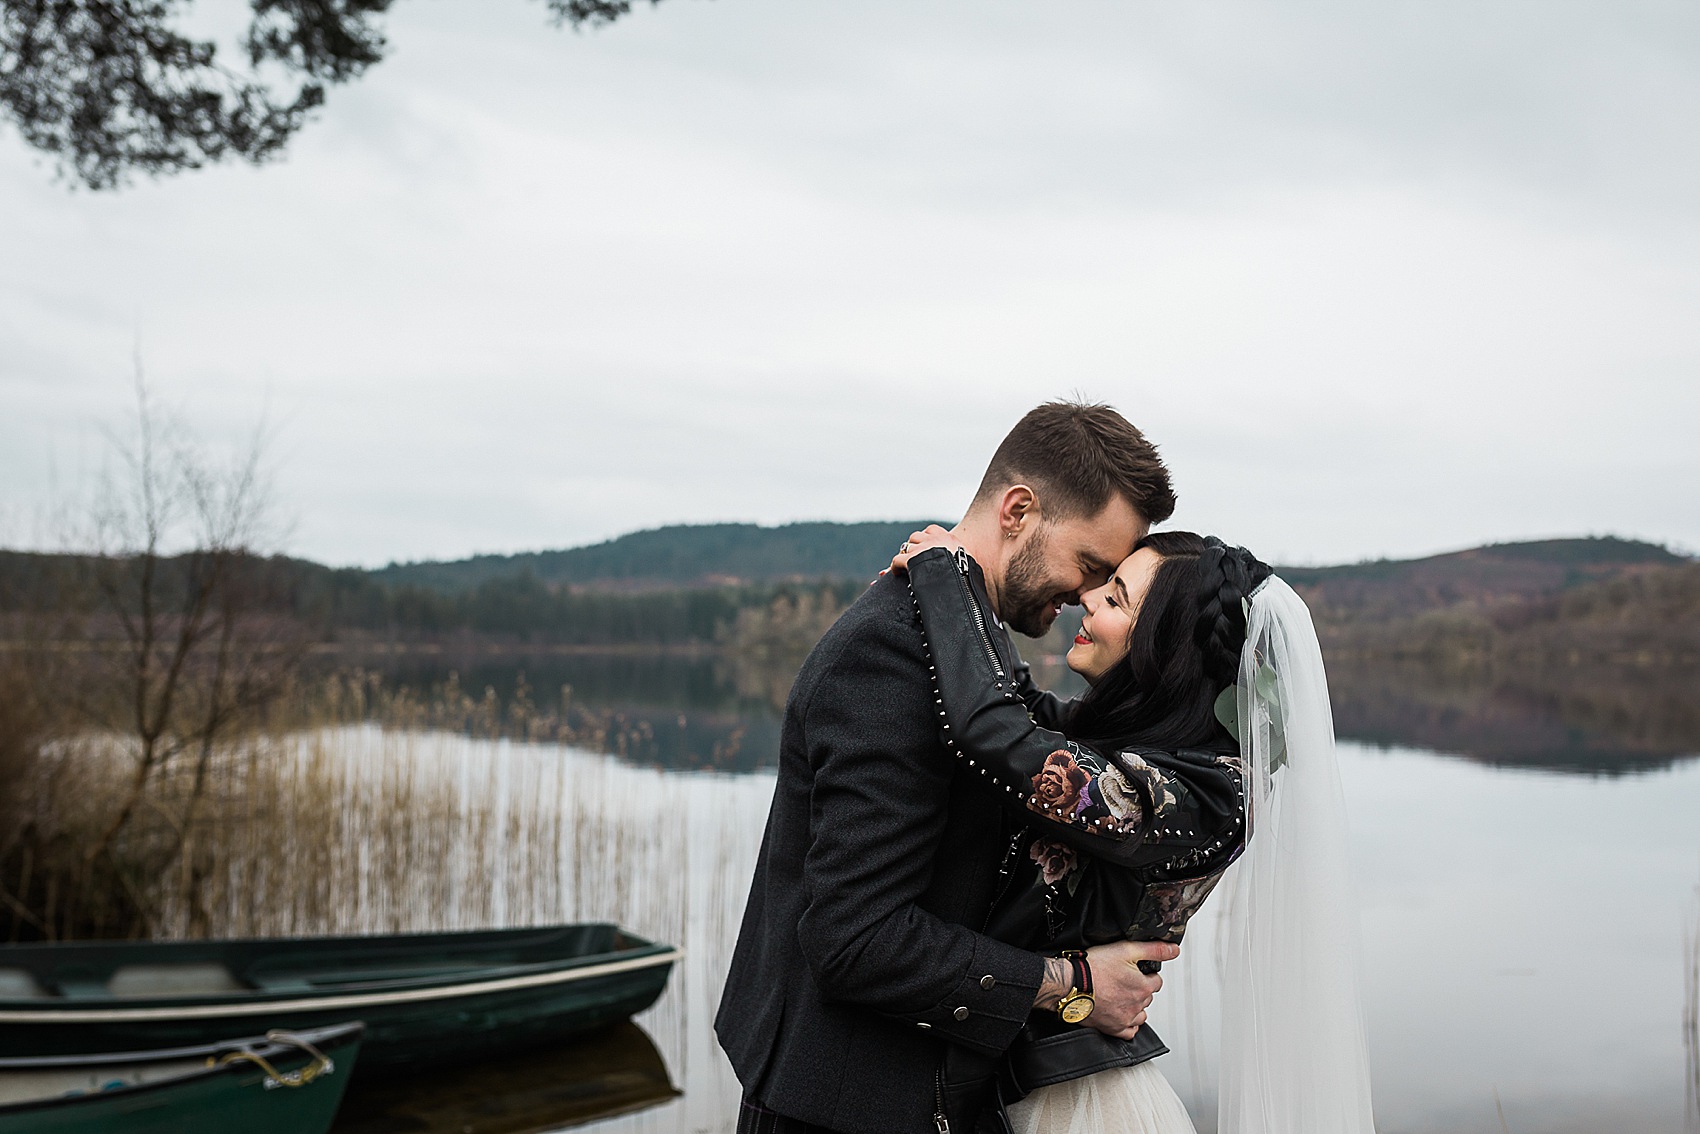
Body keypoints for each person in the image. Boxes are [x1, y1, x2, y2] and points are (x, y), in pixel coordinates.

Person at [715, 401, 1182, 1134]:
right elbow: (855, 939)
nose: (1087, 595)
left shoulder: (972, 640)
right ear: (1019, 510)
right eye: (1090, 564)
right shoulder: (888, 657)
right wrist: (1075, 985)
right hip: (843, 1107)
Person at [891, 525, 1376, 1134]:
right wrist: (968, 583)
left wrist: (944, 576)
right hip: (1007, 1087)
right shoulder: (1141, 747)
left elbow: (995, 734)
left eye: (1116, 597)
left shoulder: (1211, 795)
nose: (1088, 598)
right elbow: (1016, 708)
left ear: (1164, 647)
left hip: (1078, 1107)